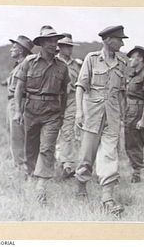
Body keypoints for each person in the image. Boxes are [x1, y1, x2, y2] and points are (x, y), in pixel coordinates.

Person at [74, 25, 128, 217]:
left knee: (109, 154)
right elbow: (80, 87)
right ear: (107, 40)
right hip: (92, 113)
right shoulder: (91, 59)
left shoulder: (122, 63)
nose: (122, 43)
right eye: (119, 39)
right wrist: (79, 112)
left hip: (112, 115)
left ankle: (107, 198)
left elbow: (122, 93)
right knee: (87, 156)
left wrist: (122, 116)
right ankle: (81, 187)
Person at [13, 25, 69, 204]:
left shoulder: (62, 66)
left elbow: (65, 93)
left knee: (47, 148)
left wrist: (61, 115)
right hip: (31, 109)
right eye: (51, 41)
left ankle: (41, 186)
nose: (54, 44)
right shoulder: (29, 62)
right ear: (42, 43)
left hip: (52, 112)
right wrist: (17, 111)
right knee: (31, 146)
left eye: (56, 41)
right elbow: (19, 88)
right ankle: (31, 174)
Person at [124, 46, 144, 183]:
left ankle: (137, 172)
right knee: (129, 141)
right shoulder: (133, 75)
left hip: (138, 109)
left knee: (135, 141)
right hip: (129, 109)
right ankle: (134, 170)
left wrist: (143, 119)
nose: (130, 60)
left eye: (132, 57)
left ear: (140, 58)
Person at [6, 35, 34, 168]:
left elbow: (24, 88)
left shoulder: (25, 65)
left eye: (14, 47)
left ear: (21, 50)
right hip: (12, 102)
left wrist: (19, 109)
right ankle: (17, 164)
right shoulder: (18, 66)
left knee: (18, 136)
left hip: (19, 102)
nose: (11, 50)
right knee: (13, 134)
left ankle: (21, 167)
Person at [57, 33, 81, 179]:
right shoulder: (54, 62)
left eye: (71, 46)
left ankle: (67, 165)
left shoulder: (76, 65)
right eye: (66, 46)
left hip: (71, 100)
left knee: (68, 132)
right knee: (53, 131)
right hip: (56, 100)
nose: (69, 49)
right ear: (60, 47)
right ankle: (57, 161)